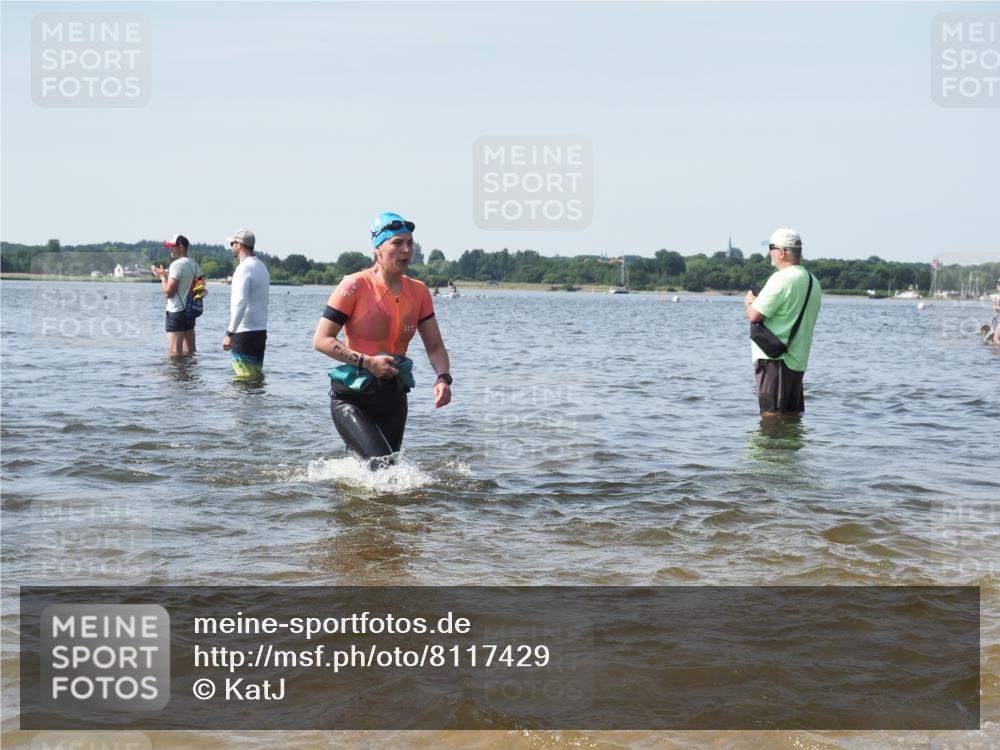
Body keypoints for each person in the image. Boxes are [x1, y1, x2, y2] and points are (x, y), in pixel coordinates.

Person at [313, 212, 452, 465]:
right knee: (383, 467)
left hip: (394, 397)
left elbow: (435, 347)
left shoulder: (419, 291)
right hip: (353, 398)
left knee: (388, 471)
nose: (405, 250)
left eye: (409, 243)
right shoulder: (354, 285)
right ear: (378, 249)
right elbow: (321, 339)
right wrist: (368, 362)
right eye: (397, 243)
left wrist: (443, 377)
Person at [744, 228, 822, 416]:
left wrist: (749, 301)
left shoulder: (781, 279)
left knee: (771, 419)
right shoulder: (813, 281)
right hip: (797, 361)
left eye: (771, 248)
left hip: (775, 360)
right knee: (791, 419)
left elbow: (755, 315)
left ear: (781, 252)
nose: (769, 253)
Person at [221, 230, 270, 379]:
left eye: (232, 244)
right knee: (255, 378)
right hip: (260, 332)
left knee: (243, 381)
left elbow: (240, 302)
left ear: (239, 245)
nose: (231, 247)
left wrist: (230, 333)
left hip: (245, 332)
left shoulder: (243, 268)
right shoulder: (262, 267)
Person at [151, 234, 200, 356]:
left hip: (176, 312)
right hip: (190, 312)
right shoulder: (194, 264)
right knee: (190, 352)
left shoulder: (176, 265)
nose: (170, 250)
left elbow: (168, 292)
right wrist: (167, 275)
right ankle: (189, 375)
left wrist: (162, 278)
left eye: (172, 247)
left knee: (174, 354)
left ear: (181, 247)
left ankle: (176, 375)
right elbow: (200, 289)